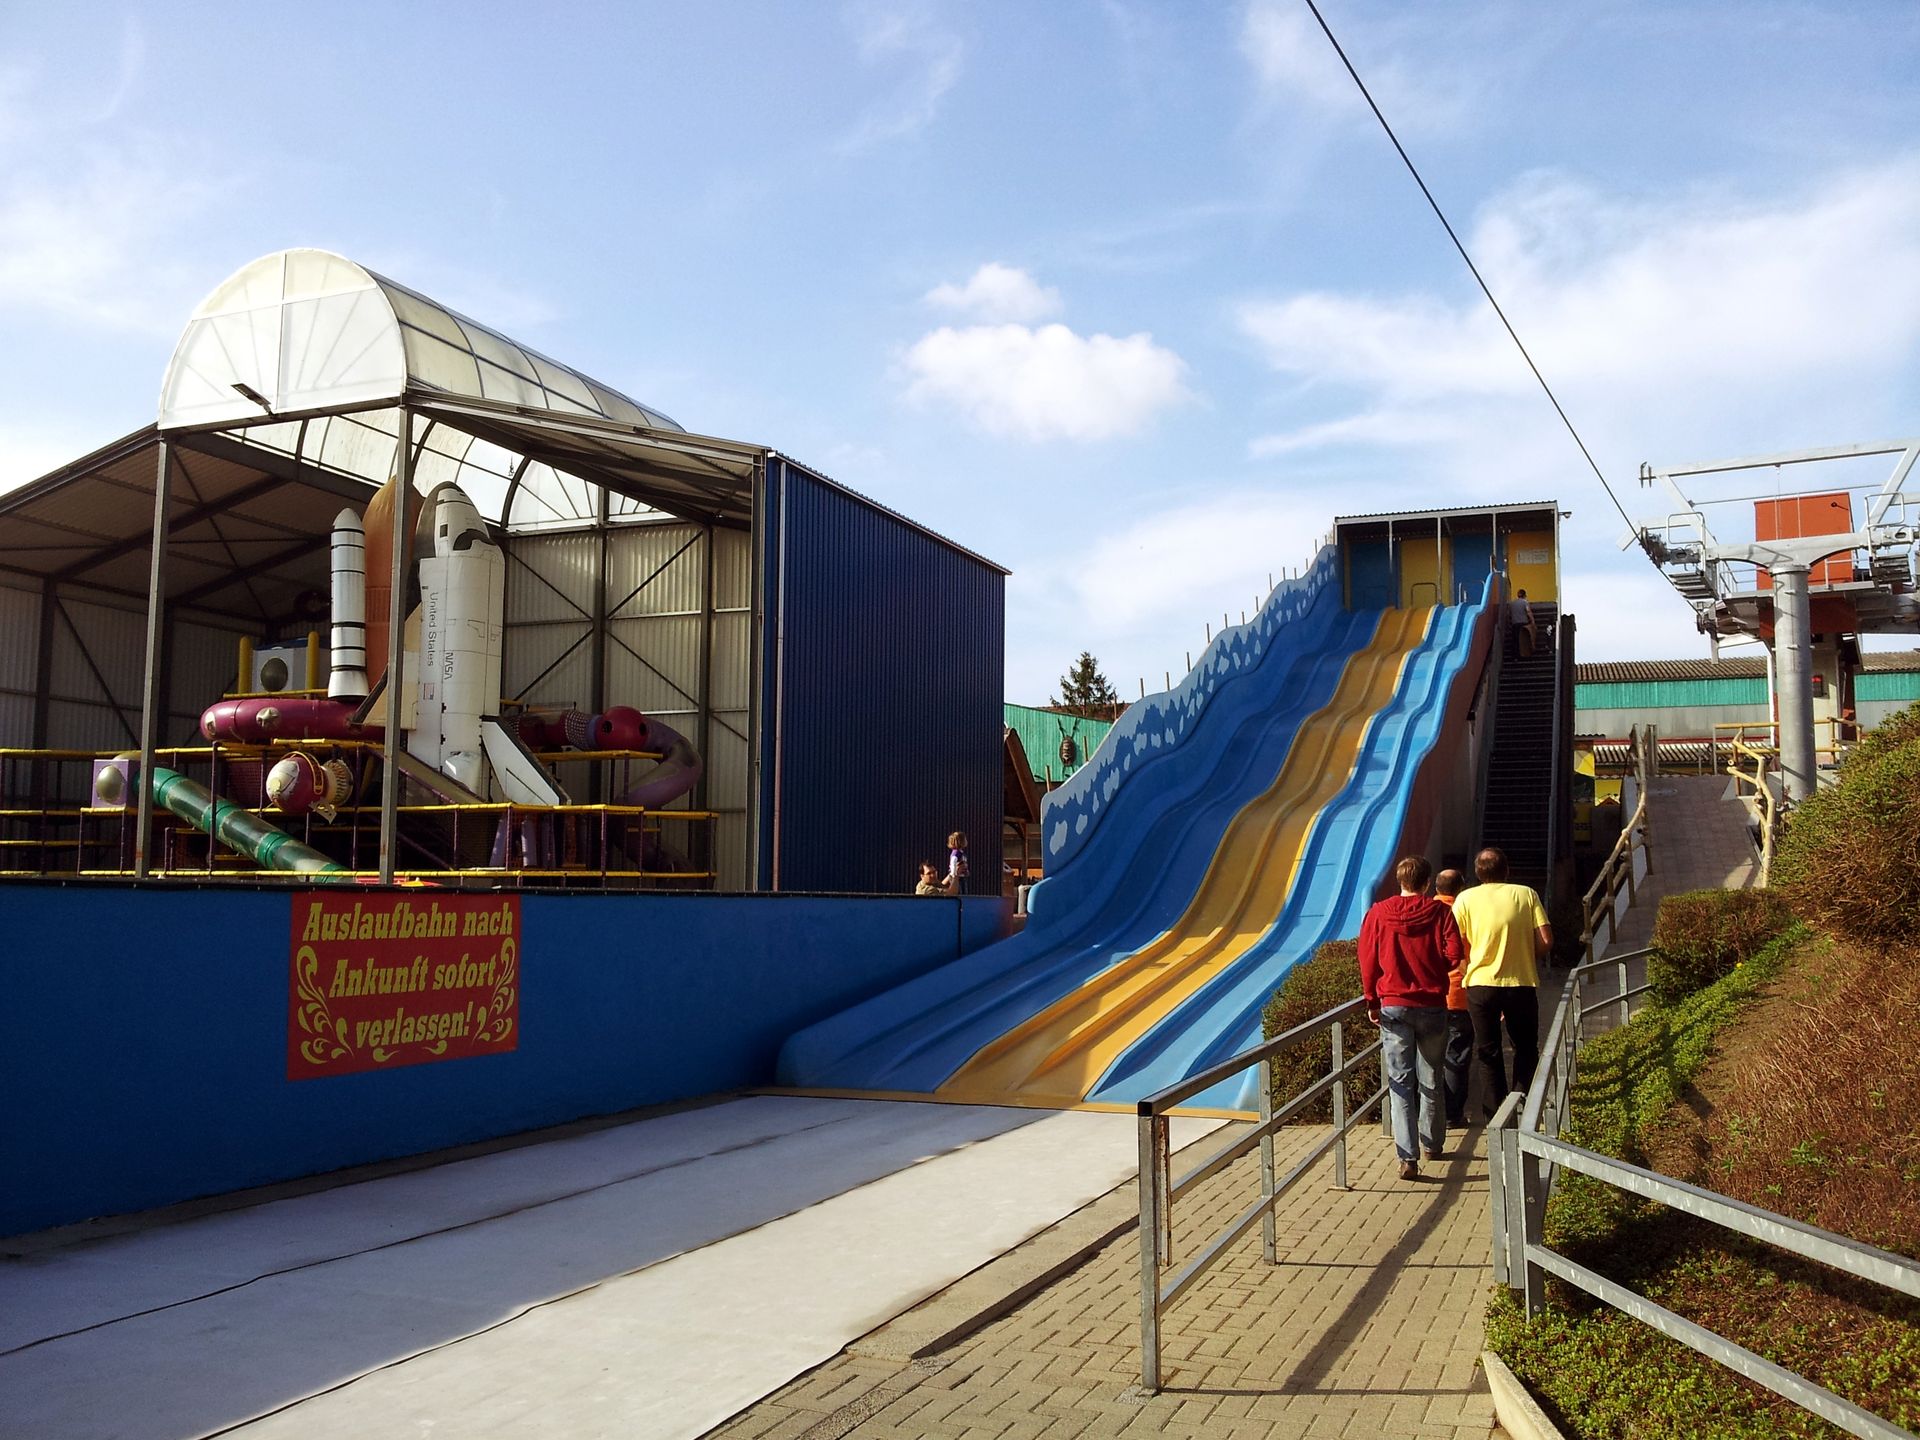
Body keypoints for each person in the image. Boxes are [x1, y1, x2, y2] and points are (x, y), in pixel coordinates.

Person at [1359, 854, 1463, 1181]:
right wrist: (1433, 969)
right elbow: (1455, 954)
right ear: (1427, 883)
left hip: (1393, 1004)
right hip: (1432, 1003)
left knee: (1400, 1082)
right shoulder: (1440, 912)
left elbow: (1367, 959)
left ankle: (1407, 1157)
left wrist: (1372, 1000)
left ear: (1400, 881)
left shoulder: (1378, 913)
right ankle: (1432, 1143)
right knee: (1432, 1074)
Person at [1450, 847, 1552, 1115]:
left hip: (1480, 984)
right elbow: (1546, 940)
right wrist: (1524, 954)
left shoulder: (1464, 899)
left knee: (1488, 1051)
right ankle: (1524, 1105)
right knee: (1526, 1047)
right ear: (1506, 870)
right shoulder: (1526, 894)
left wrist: (1467, 965)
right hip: (1520, 982)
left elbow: (1454, 944)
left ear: (1477, 873)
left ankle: (1495, 1114)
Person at [1433, 868, 1474, 1129]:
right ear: (1461, 888)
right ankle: (1452, 1114)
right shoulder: (1464, 913)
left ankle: (1427, 1113)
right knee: (1457, 1056)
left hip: (1428, 995)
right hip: (1459, 994)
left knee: (1429, 1057)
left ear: (1435, 887)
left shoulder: (1424, 911)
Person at [1510, 589, 1538, 658]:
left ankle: (1516, 656)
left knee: (1516, 640)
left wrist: (1509, 622)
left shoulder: (1512, 603)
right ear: (1524, 595)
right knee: (1524, 640)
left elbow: (1509, 614)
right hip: (1523, 624)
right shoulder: (1525, 602)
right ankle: (1525, 654)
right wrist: (1532, 621)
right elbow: (1528, 612)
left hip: (1515, 623)